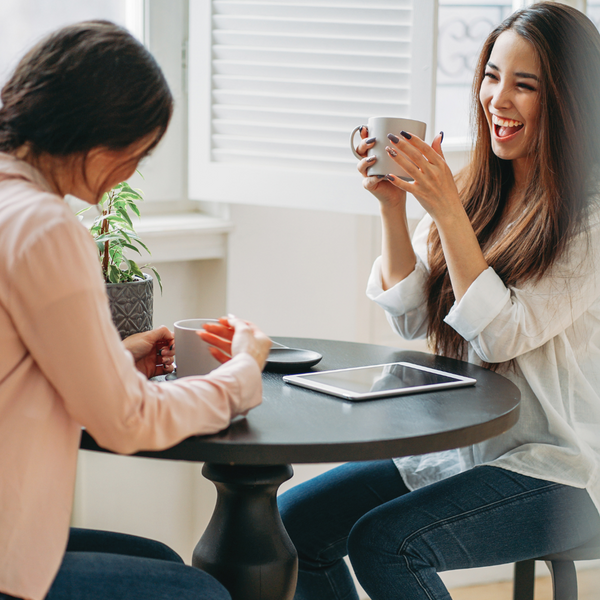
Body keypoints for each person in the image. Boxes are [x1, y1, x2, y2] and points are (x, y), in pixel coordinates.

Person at [278, 3, 600, 599]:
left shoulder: (589, 219)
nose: (497, 99)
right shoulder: (484, 191)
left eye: (524, 85)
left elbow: (501, 335)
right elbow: (413, 315)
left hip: (564, 471)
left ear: (569, 102)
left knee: (387, 543)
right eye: (492, 75)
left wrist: (447, 210)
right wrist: (393, 208)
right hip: (469, 452)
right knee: (293, 523)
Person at [0, 21, 271, 600]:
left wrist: (115, 360)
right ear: (97, 136)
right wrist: (240, 377)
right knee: (204, 594)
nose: (134, 169)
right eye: (138, 151)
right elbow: (124, 424)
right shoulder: (43, 225)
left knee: (160, 560)